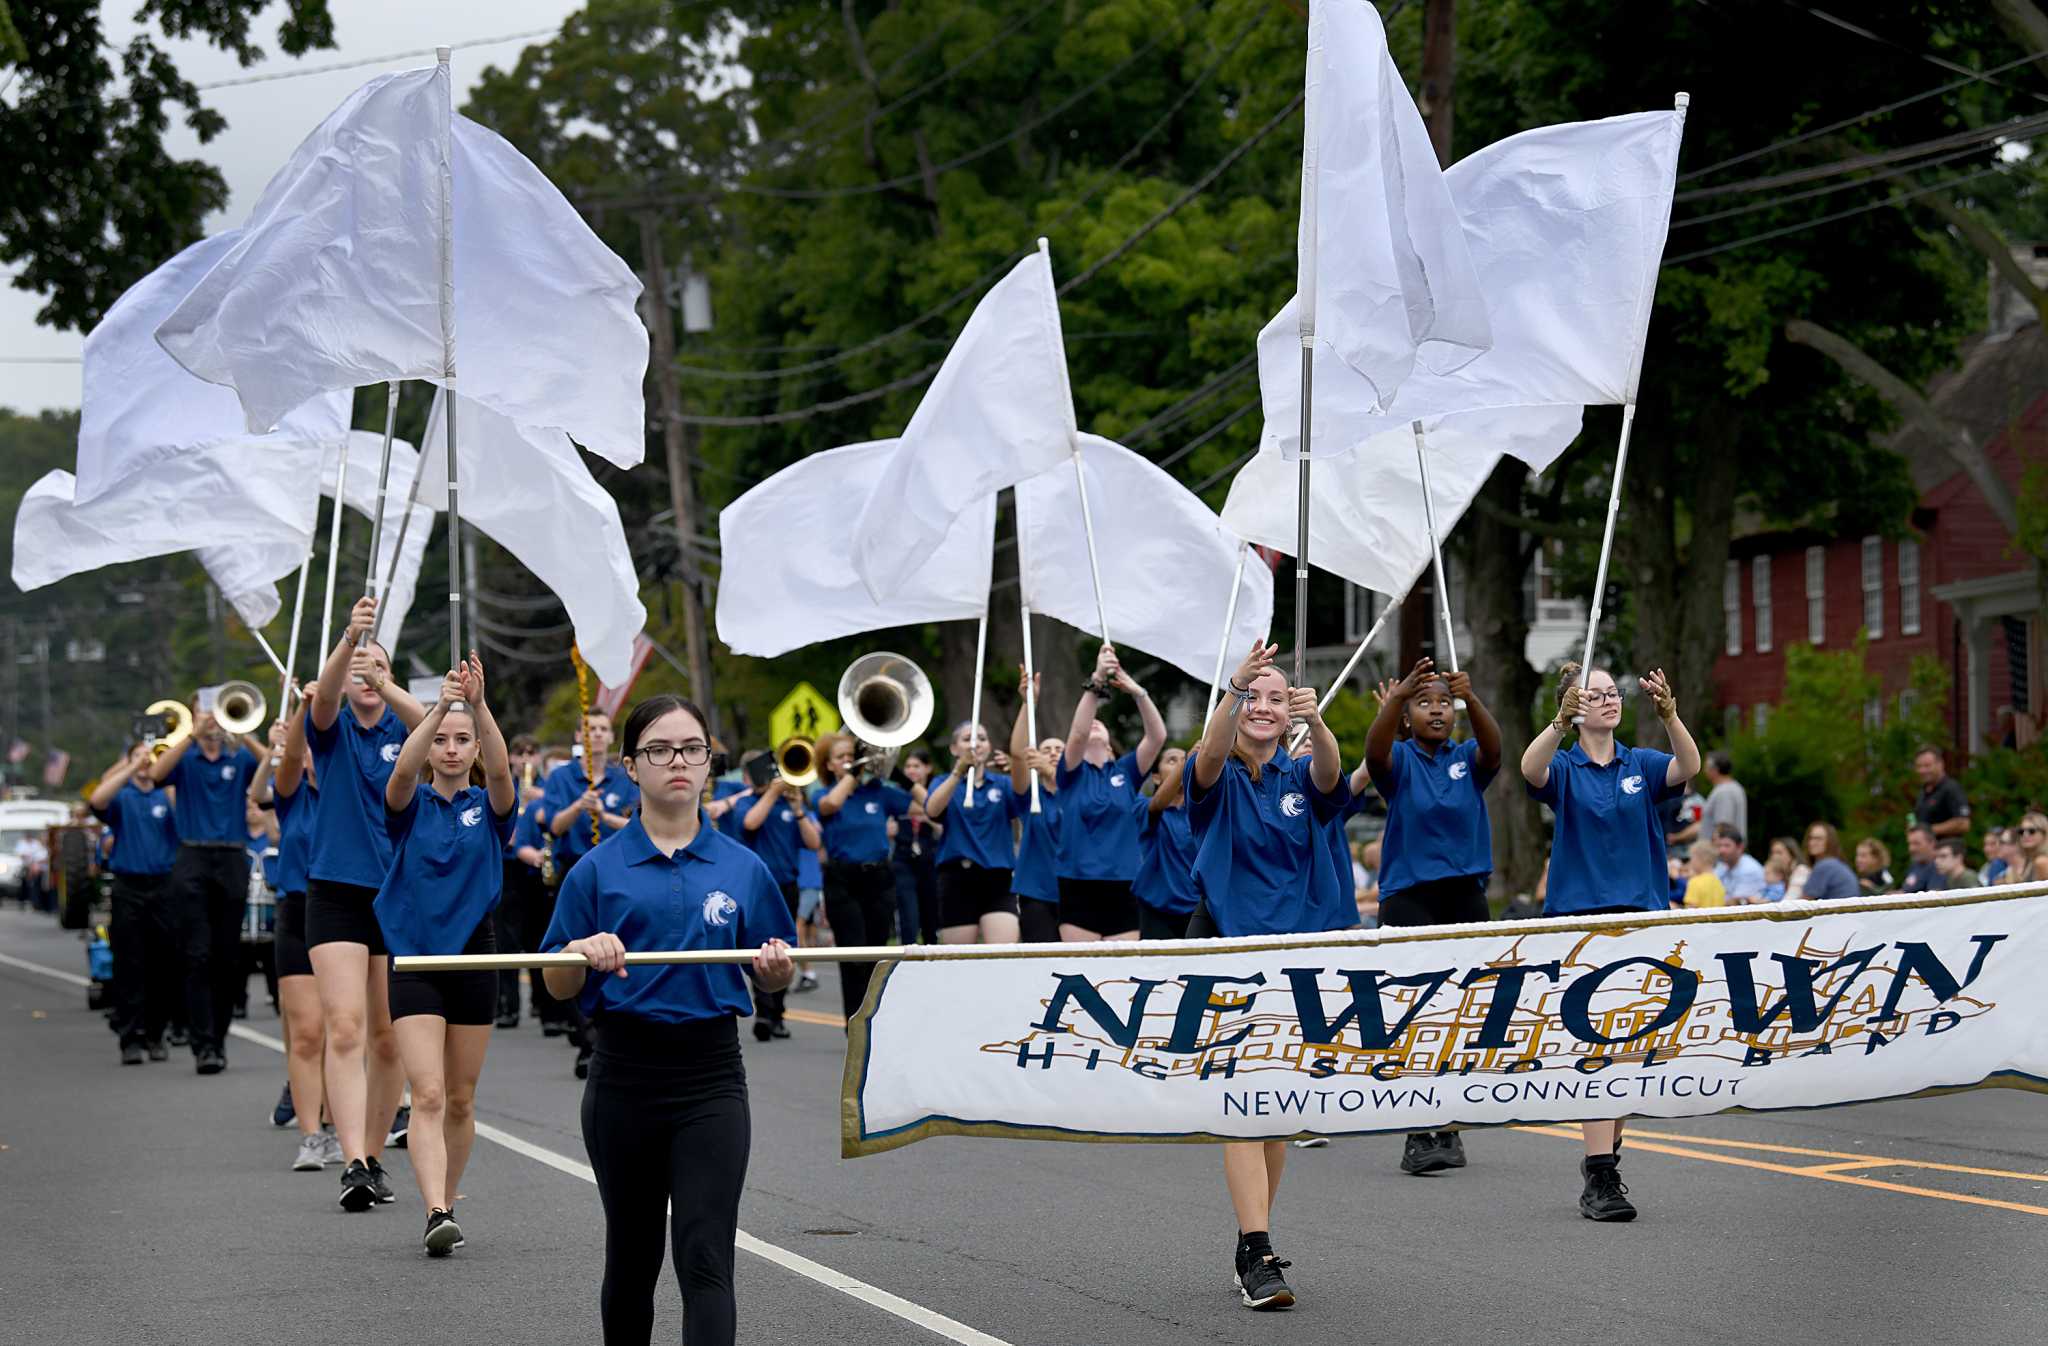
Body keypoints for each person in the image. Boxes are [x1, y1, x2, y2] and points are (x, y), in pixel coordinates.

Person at [541, 694, 796, 1346]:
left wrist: (774, 975)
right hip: (623, 1079)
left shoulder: (745, 867)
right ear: (631, 765)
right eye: (658, 749)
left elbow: (779, 965)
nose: (676, 761)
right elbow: (555, 980)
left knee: (706, 1256)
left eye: (691, 748)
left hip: (711, 1079)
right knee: (632, 1261)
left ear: (710, 762)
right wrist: (577, 952)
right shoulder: (596, 870)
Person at [1186, 642, 1352, 1311]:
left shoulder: (1302, 774)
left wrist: (1322, 725)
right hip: (1225, 951)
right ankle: (1258, 1249)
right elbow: (1205, 756)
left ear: (1291, 716)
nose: (1263, 705)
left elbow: (1334, 779)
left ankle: (1249, 1242)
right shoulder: (1219, 775)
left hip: (1295, 956)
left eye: (1276, 697)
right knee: (1242, 1105)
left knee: (1278, 1110)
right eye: (1254, 695)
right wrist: (1235, 687)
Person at [1520, 662, 1700, 1223]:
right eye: (1594, 695)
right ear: (1575, 707)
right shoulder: (1567, 765)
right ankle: (1600, 1172)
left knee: (1628, 1045)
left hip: (1643, 915)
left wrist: (1670, 715)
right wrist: (1558, 722)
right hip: (1581, 919)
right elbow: (1530, 770)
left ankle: (1605, 1154)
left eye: (1611, 692)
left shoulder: (1640, 764)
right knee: (1598, 1044)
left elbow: (1688, 765)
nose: (1609, 700)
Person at [376, 656, 517, 1255]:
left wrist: (478, 706)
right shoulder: (408, 808)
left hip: (474, 957)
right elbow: (402, 772)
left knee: (461, 1097)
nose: (453, 749)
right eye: (443, 741)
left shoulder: (491, 809)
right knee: (427, 1093)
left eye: (463, 742)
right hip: (413, 958)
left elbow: (505, 771)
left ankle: (448, 1200)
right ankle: (434, 1209)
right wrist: (437, 707)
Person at [305, 595, 427, 1209]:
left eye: (376, 667)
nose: (365, 675)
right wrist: (350, 642)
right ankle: (351, 1158)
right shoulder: (331, 733)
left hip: (397, 893)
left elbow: (431, 724)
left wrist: (383, 675)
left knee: (388, 1036)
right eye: (357, 668)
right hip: (335, 891)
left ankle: (375, 1155)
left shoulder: (404, 728)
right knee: (346, 1025)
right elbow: (324, 699)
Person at [1363, 656, 1500, 1176]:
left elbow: (1496, 750)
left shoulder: (1468, 757)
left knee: (1462, 1013)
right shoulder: (1397, 761)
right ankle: (1417, 1130)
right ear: (1406, 715)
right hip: (1409, 897)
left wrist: (1475, 697)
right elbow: (1373, 751)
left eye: (1445, 702)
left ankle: (1450, 1126)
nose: (1437, 710)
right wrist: (1394, 700)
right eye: (1424, 702)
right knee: (1414, 1012)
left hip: (1464, 895)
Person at [147, 689, 270, 1074]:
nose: (214, 718)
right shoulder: (185, 757)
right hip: (193, 857)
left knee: (227, 956)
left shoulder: (241, 756)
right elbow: (155, 774)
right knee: (197, 954)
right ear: (194, 713)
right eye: (206, 711)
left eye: (219, 711)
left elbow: (277, 766)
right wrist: (191, 734)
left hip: (232, 855)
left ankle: (218, 1038)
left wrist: (243, 729)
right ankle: (204, 1046)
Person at [257, 694, 340, 1172]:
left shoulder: (347, 791)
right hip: (296, 909)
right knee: (307, 1033)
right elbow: (264, 787)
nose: (310, 753)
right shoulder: (289, 792)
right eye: (302, 747)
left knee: (343, 1031)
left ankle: (339, 1123)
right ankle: (311, 1135)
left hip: (344, 913)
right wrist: (301, 713)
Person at [1055, 644, 1166, 943]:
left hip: (1123, 884)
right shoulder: (1071, 772)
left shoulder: (1125, 772)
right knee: (1080, 971)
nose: (1093, 725)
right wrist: (1097, 681)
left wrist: (1136, 691)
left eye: (1099, 724)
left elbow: (1157, 737)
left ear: (1108, 742)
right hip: (1078, 884)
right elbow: (1077, 735)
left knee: (1120, 977)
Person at [88, 744, 180, 1066]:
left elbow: (181, 811)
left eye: (150, 756)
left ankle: (155, 1034)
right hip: (129, 887)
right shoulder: (123, 796)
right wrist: (129, 766)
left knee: (161, 966)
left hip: (163, 887)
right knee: (129, 965)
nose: (146, 762)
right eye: (140, 756)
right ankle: (130, 1038)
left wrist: (161, 774)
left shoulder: (163, 796)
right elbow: (97, 799)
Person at [813, 732, 913, 1021]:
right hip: (843, 881)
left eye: (852, 755)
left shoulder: (878, 791)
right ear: (829, 765)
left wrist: (898, 775)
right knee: (853, 955)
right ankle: (854, 1023)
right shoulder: (823, 793)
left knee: (877, 953)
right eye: (841, 757)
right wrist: (853, 773)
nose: (848, 761)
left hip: (879, 877)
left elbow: (926, 805)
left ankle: (875, 1021)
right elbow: (829, 805)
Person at [738, 760, 821, 1040]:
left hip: (787, 883)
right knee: (758, 948)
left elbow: (813, 843)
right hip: (757, 886)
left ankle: (778, 1013)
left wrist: (798, 808)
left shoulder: (792, 805)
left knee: (785, 947)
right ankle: (764, 1012)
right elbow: (749, 823)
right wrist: (771, 794)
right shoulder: (749, 802)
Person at [922, 719, 1024, 945]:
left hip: (998, 877)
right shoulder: (943, 782)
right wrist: (958, 772)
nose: (975, 744)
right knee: (958, 961)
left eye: (982, 738)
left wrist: (1017, 770)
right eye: (967, 739)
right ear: (954, 748)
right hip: (957, 877)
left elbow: (1024, 802)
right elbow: (932, 809)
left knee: (1003, 956)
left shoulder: (1002, 783)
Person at [1007, 675, 1066, 943]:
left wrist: (1056, 775)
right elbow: (1017, 754)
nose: (1053, 752)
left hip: (1077, 891)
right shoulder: (1030, 795)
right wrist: (1028, 702)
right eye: (1046, 749)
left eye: (1059, 749)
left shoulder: (1081, 795)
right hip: (1036, 891)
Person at [494, 734, 545, 1029]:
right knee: (506, 941)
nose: (526, 759)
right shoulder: (504, 786)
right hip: (508, 869)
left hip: (537, 870)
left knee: (538, 938)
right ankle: (508, 1006)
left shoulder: (547, 788)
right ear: (511, 758)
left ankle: (542, 1003)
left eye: (531, 753)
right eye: (520, 753)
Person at [1133, 745, 1197, 939]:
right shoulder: (1143, 806)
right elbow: (1158, 803)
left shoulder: (1204, 811)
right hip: (1155, 909)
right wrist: (1188, 761)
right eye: (1171, 760)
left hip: (1199, 909)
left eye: (1182, 759)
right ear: (1156, 777)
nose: (1179, 764)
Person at [890, 748, 940, 946]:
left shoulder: (937, 794)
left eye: (916, 766)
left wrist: (929, 818)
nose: (911, 770)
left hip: (930, 859)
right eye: (908, 766)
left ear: (928, 768)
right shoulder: (896, 795)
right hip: (903, 860)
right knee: (908, 916)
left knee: (931, 916)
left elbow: (942, 822)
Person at [1911, 745, 1970, 839]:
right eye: (1919, 766)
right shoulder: (1923, 791)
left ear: (1941, 764)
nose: (1922, 770)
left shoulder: (1951, 788)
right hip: (1926, 851)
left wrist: (1928, 830)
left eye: (1927, 766)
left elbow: (1963, 823)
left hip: (1945, 850)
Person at [1698, 751, 1748, 846]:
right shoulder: (1733, 787)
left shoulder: (1724, 792)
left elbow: (1723, 826)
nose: (1704, 771)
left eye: (1706, 767)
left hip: (1720, 856)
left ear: (1715, 770)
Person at [1710, 824, 1766, 903]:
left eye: (1727, 845)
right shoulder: (1722, 866)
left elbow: (1735, 904)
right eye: (1719, 845)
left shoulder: (1750, 869)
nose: (1721, 850)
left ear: (1740, 847)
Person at [1682, 840, 1726, 908]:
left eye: (1692, 858)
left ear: (1700, 859)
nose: (1690, 862)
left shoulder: (1694, 882)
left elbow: (1690, 910)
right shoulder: (1718, 882)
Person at [1898, 825, 1940, 895]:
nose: (1911, 848)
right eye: (1910, 844)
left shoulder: (1940, 867)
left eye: (1916, 843)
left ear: (1932, 843)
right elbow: (1905, 891)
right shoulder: (1914, 865)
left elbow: (1933, 898)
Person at [1766, 836, 1810, 900]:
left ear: (1792, 854)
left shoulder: (1801, 870)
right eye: (1772, 853)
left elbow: (1790, 900)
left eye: (1779, 853)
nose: (1774, 857)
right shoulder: (1781, 873)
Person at [2010, 813, 2048, 883]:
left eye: (2031, 831)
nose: (2025, 835)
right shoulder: (2030, 861)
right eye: (2021, 831)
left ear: (2044, 834)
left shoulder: (2041, 862)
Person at [1353, 840, 1380, 927]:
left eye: (1367, 854)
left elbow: (1372, 894)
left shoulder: (1383, 874)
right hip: (1370, 910)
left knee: (1363, 920)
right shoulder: (1372, 873)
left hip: (1374, 916)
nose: (1365, 858)